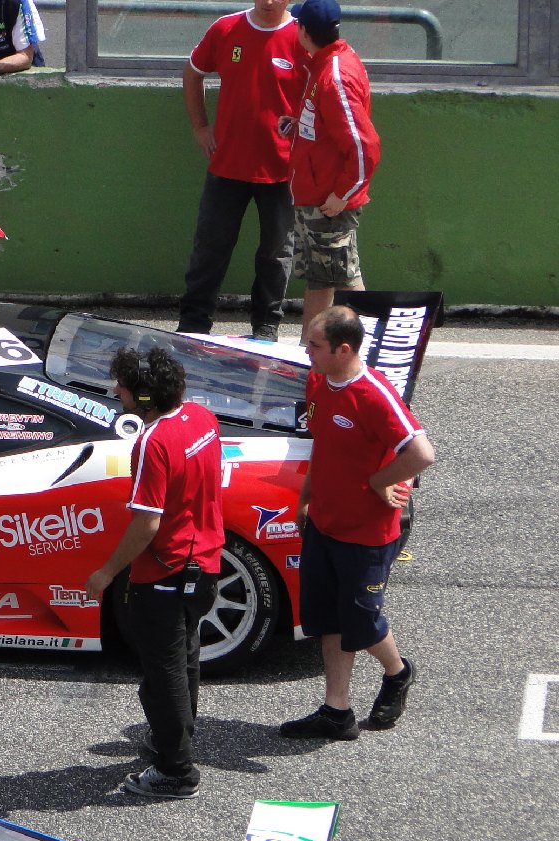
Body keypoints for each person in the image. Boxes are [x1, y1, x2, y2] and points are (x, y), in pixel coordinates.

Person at [280, 306, 434, 740]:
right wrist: (306, 499)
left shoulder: (374, 395)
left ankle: (398, 672)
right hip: (324, 524)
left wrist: (379, 481)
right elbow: (323, 446)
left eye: (314, 345)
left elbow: (422, 454)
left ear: (343, 349)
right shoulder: (318, 381)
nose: (307, 352)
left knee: (361, 623)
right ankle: (337, 711)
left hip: (367, 535)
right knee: (327, 619)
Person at [85, 347, 224, 800]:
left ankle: (175, 771)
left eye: (123, 386)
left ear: (144, 396)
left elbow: (146, 523)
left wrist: (106, 573)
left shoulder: (152, 442)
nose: (116, 391)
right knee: (185, 660)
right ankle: (174, 740)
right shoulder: (202, 418)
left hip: (164, 575)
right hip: (205, 565)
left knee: (164, 675)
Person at [177, 0, 308, 342]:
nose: (269, 2)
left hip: (282, 171)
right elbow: (193, 72)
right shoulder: (226, 29)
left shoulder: (302, 36)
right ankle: (193, 323)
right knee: (210, 248)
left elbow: (322, 93)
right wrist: (200, 127)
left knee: (276, 253)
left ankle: (266, 327)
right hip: (226, 165)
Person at [287, 0, 380, 337]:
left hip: (328, 202)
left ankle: (371, 351)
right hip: (318, 197)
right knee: (321, 279)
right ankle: (309, 351)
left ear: (304, 31)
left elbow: (364, 146)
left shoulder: (333, 75)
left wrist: (342, 194)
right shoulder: (327, 64)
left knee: (346, 280)